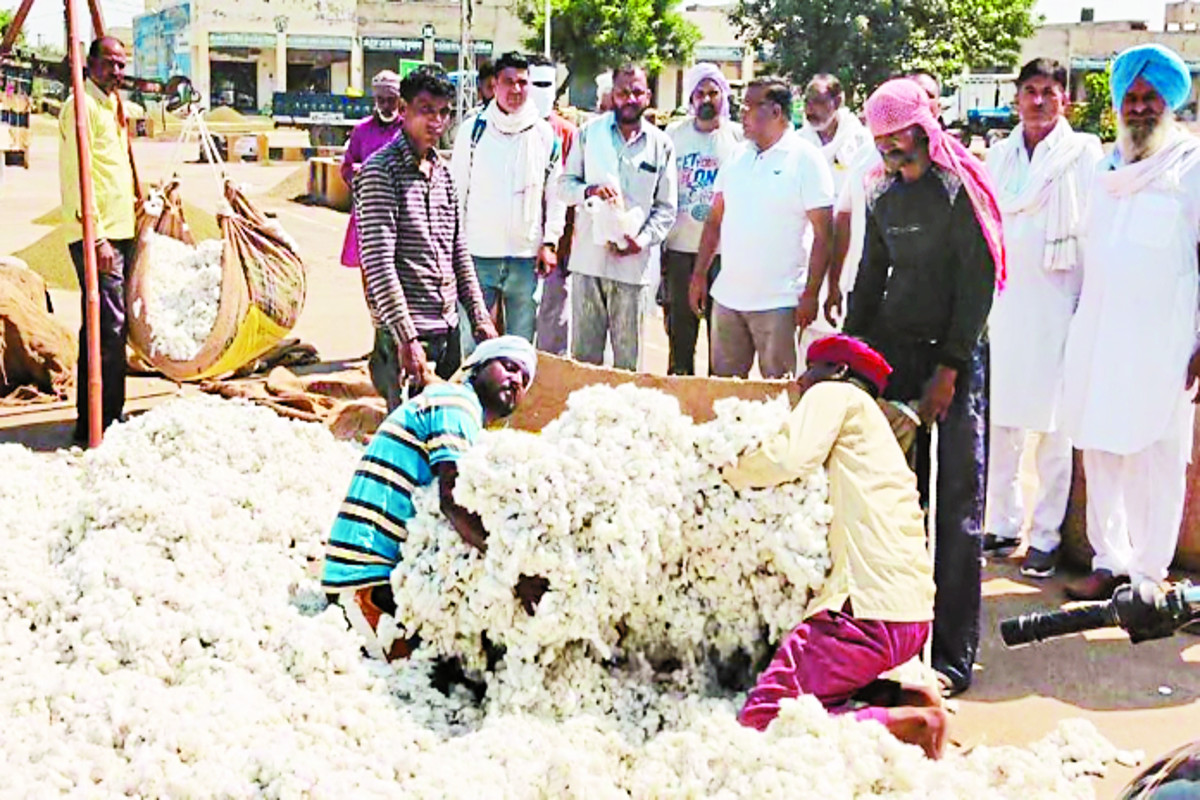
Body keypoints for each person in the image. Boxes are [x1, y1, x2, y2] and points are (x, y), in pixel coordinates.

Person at [844, 78, 1004, 696]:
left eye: (901, 143)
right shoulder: (882, 193)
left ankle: (953, 655)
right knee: (899, 505)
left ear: (925, 131)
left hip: (954, 359)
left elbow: (979, 283)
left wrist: (950, 371)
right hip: (897, 354)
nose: (892, 156)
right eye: (882, 146)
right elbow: (869, 277)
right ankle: (899, 643)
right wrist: (850, 356)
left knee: (958, 506)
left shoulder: (959, 188)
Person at [727, 335, 944, 759]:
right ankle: (904, 701)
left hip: (862, 612)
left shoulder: (836, 395)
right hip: (907, 614)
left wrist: (729, 467)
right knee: (820, 692)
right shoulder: (875, 430)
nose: (799, 383)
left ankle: (914, 725)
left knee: (765, 718)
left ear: (838, 371)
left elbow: (787, 459)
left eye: (809, 371)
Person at [1060, 44, 1200, 601]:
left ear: (1170, 104)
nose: (1140, 108)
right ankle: (1109, 561)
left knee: (1156, 456)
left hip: (1165, 341)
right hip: (1101, 333)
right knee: (1099, 445)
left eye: (1151, 99)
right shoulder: (1104, 170)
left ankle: (1149, 575)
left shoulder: (1190, 168)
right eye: (1132, 98)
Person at [322, 336, 541, 659]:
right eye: (508, 367)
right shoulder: (456, 404)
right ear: (476, 368)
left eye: (524, 379)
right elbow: (453, 502)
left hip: (387, 574)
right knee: (437, 668)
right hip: (361, 579)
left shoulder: (465, 418)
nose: (515, 380)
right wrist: (515, 574)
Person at [983, 59, 1103, 579]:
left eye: (1047, 93)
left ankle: (1047, 536)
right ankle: (1003, 524)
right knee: (1002, 421)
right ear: (1017, 99)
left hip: (1062, 302)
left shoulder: (1084, 154)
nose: (1037, 101)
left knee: (1055, 430)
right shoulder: (1000, 155)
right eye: (1029, 91)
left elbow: (1097, 230)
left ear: (1065, 101)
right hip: (1006, 304)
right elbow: (987, 220)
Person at [356, 67, 497, 411]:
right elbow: (379, 264)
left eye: (444, 112)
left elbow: (458, 252)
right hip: (405, 332)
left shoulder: (443, 173)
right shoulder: (381, 172)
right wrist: (407, 338)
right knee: (408, 430)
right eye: (426, 110)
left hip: (446, 325)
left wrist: (479, 317)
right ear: (403, 110)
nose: (436, 121)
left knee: (447, 420)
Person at [688, 77, 834, 379]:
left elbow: (824, 235)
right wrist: (699, 274)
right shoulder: (737, 156)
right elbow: (715, 220)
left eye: (750, 107)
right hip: (728, 298)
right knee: (723, 395)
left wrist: (811, 293)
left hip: (778, 302)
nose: (742, 113)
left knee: (776, 396)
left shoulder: (806, 160)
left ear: (776, 112)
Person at [560, 63, 677, 371]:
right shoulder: (589, 135)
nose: (630, 98)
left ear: (648, 96)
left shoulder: (660, 145)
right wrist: (590, 191)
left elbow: (666, 208)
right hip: (589, 263)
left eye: (637, 92)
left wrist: (641, 241)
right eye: (623, 92)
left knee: (628, 366)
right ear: (612, 96)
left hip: (632, 268)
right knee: (584, 364)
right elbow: (564, 187)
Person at [451, 52, 565, 344]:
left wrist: (550, 242)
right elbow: (455, 194)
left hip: (525, 259)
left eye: (522, 83)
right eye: (508, 82)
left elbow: (556, 194)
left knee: (520, 346)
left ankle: (514, 392)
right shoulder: (473, 132)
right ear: (495, 85)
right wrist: (454, 251)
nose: (516, 90)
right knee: (474, 344)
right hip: (477, 255)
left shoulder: (544, 135)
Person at [59, 37, 136, 444]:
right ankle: (94, 422)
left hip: (122, 228)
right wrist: (98, 238)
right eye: (109, 64)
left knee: (114, 326)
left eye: (122, 65)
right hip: (96, 235)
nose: (117, 72)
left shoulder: (111, 105)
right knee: (107, 326)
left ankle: (111, 413)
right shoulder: (80, 107)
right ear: (88, 63)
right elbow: (77, 178)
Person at [825, 73, 942, 330]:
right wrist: (834, 285)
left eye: (928, 97)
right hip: (873, 299)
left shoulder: (954, 181)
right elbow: (845, 219)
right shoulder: (870, 165)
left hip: (931, 317)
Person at [660, 63, 743, 376]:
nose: (707, 99)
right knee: (680, 333)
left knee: (721, 338)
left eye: (713, 92)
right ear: (691, 98)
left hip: (725, 253)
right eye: (700, 93)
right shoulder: (673, 135)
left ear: (724, 96)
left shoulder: (738, 138)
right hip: (681, 247)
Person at [797, 73, 872, 356]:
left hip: (850, 253)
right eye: (807, 101)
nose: (810, 109)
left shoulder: (863, 143)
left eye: (818, 101)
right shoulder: (799, 143)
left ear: (838, 101)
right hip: (808, 253)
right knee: (807, 345)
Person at [529, 54, 578, 356]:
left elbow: (570, 196)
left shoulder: (568, 133)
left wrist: (564, 247)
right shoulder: (505, 128)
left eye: (547, 84)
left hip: (556, 250)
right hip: (515, 247)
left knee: (553, 330)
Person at [339, 70, 404, 269]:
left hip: (401, 214)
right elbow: (347, 167)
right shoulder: (361, 130)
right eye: (381, 100)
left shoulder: (408, 129)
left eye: (391, 100)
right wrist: (357, 175)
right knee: (371, 274)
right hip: (368, 212)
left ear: (400, 101)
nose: (386, 106)